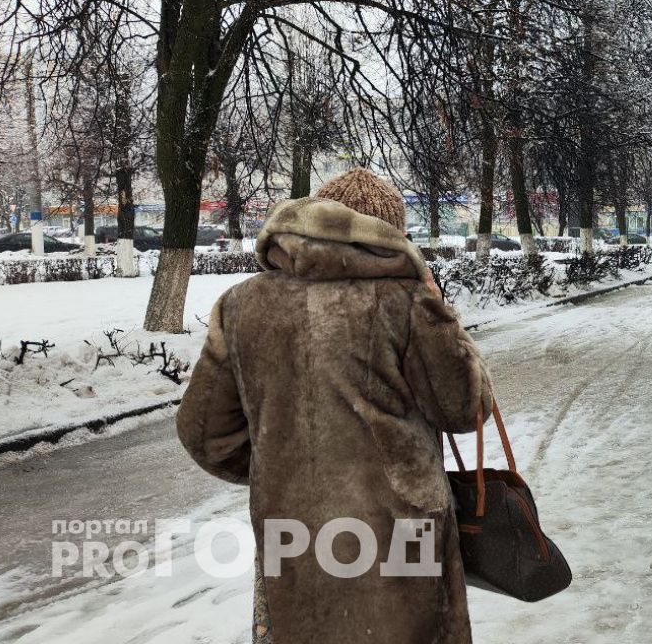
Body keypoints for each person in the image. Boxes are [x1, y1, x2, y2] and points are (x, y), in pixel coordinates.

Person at [176, 167, 493, 644]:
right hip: (398, 530)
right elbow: (465, 407)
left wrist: (285, 470)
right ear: (387, 233)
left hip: (292, 531)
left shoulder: (240, 304)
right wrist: (442, 316)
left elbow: (205, 435)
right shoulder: (404, 301)